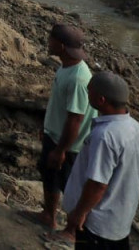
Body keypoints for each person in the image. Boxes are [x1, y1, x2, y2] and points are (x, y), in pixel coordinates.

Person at [62, 72, 139, 247]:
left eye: (89, 91)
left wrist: (79, 213)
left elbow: (98, 184)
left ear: (101, 100)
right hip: (120, 217)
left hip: (97, 222)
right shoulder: (136, 128)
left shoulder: (105, 136)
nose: (86, 93)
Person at [32, 24, 97, 233]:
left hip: (70, 145)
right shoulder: (66, 66)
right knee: (49, 175)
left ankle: (73, 231)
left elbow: (75, 120)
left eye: (51, 40)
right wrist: (48, 128)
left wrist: (60, 150)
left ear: (60, 46)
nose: (48, 43)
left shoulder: (78, 79)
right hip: (56, 135)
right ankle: (48, 216)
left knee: (70, 185)